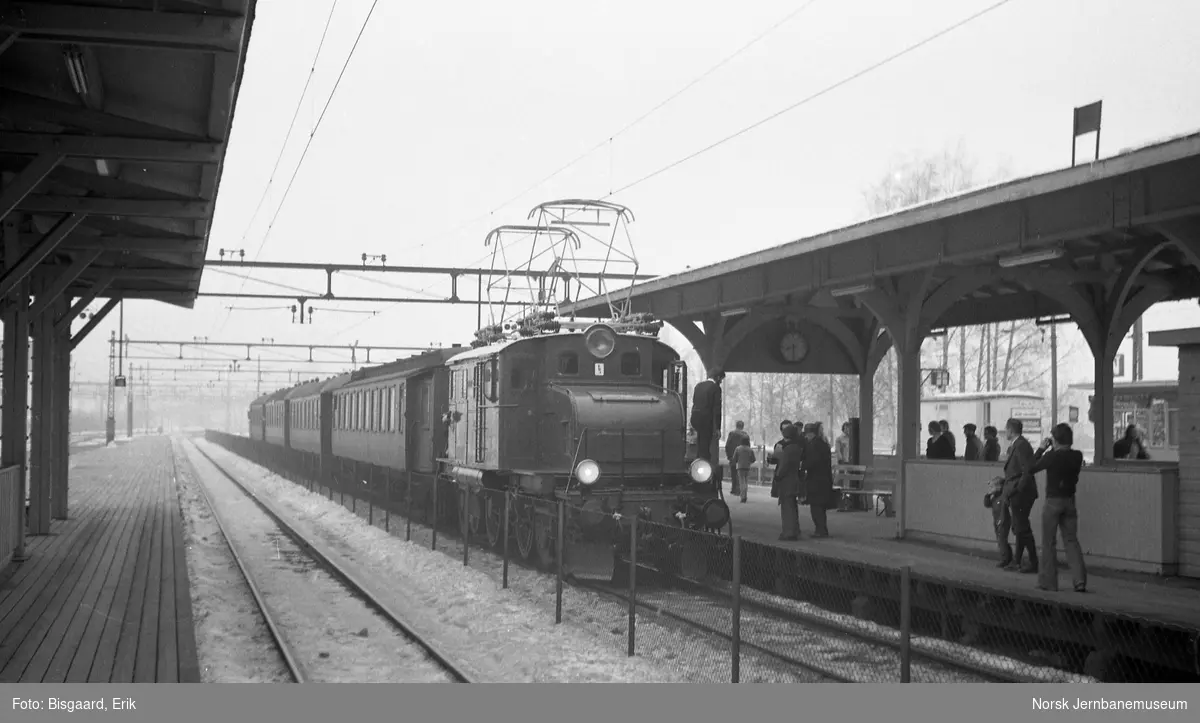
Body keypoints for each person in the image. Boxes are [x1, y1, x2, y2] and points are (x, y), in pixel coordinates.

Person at [1030, 423, 1087, 593]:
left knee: (1049, 542)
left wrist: (1041, 449)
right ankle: (1079, 581)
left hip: (1053, 501)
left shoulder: (1051, 456)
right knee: (1071, 540)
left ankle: (1048, 582)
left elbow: (1031, 467)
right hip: (1070, 501)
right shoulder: (1077, 455)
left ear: (1054, 439)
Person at [997, 418, 1038, 573]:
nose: (1005, 432)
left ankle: (1032, 562)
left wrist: (1017, 489)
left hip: (1021, 493)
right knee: (1020, 526)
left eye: (1006, 429)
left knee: (1022, 527)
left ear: (1011, 430)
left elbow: (1026, 470)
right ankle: (1018, 560)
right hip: (1021, 491)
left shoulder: (1020, 446)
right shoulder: (1019, 445)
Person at [771, 424, 804, 541]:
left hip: (786, 481)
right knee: (793, 506)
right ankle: (795, 530)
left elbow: (784, 465)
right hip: (794, 479)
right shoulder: (797, 447)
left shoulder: (788, 449)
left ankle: (788, 532)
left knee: (786, 507)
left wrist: (778, 476)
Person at [801, 423, 834, 537]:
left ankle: (820, 530)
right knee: (821, 507)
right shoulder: (824, 444)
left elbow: (811, 462)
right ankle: (822, 529)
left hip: (815, 480)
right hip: (825, 479)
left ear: (810, 434)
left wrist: (802, 465)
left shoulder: (813, 445)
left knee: (815, 507)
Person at [689, 369, 725, 463]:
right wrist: (717, 428)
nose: (721, 382)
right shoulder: (716, 388)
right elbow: (717, 409)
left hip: (695, 418)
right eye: (721, 379)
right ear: (717, 377)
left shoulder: (698, 386)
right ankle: (704, 466)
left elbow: (694, 402)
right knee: (705, 445)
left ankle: (697, 461)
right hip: (706, 420)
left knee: (699, 444)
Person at [724, 420, 750, 496]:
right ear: (743, 426)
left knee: (733, 473)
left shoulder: (731, 434)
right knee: (741, 475)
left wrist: (729, 456)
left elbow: (727, 446)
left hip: (732, 457)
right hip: (743, 458)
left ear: (736, 425)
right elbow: (748, 447)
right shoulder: (745, 435)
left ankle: (734, 489)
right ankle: (740, 490)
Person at [733, 436, 756, 504]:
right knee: (745, 482)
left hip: (740, 467)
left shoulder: (738, 448)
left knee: (741, 482)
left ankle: (743, 497)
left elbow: (734, 458)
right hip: (747, 467)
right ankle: (745, 496)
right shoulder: (750, 450)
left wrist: (738, 461)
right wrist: (749, 462)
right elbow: (753, 459)